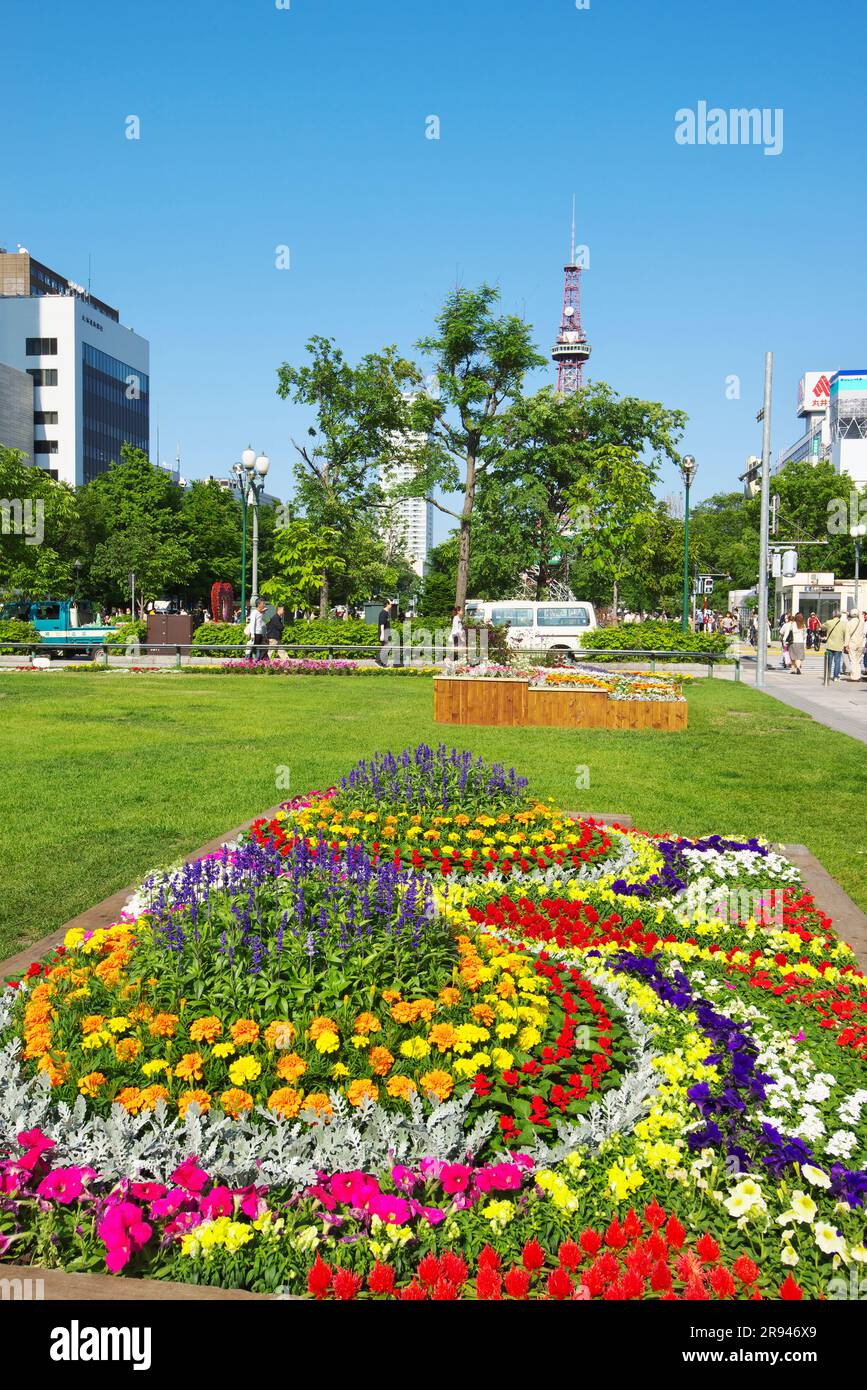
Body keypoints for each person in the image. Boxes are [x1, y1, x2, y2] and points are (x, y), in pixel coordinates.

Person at [824, 610, 847, 682]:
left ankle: (828, 675)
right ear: (840, 616)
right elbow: (846, 634)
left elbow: (822, 627)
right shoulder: (844, 624)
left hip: (829, 645)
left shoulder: (829, 622)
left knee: (829, 661)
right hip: (839, 645)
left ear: (833, 615)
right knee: (837, 662)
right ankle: (836, 677)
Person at [845, 608, 865, 683]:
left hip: (852, 643)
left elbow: (847, 635)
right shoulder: (861, 621)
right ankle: (858, 675)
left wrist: (846, 645)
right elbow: (860, 614)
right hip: (860, 643)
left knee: (853, 660)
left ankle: (854, 677)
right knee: (858, 660)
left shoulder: (849, 623)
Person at [377, 600, 392, 666]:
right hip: (384, 634)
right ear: (387, 604)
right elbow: (382, 624)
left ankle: (383, 663)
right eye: (390, 603)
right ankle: (378, 660)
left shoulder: (386, 612)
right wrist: (382, 634)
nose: (391, 605)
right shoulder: (383, 613)